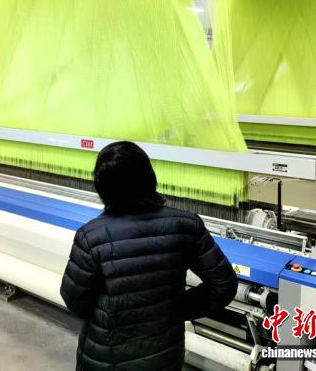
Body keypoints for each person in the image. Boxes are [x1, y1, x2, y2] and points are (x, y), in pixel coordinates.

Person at [60, 141, 237, 370]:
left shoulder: (91, 237)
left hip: (107, 359)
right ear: (149, 177)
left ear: (102, 188)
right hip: (164, 357)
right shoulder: (186, 226)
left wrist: (111, 316)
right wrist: (176, 310)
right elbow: (224, 284)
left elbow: (74, 300)